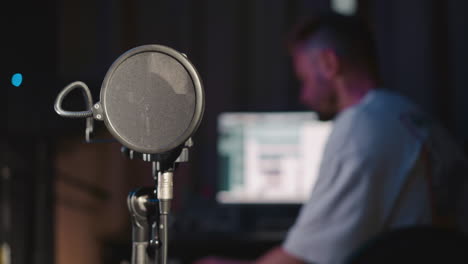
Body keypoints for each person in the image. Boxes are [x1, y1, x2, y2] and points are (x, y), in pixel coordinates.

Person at [196, 13, 468, 264]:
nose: (303, 96)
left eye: (304, 79)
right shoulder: (414, 117)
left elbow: (303, 258)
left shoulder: (359, 125)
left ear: (329, 63)